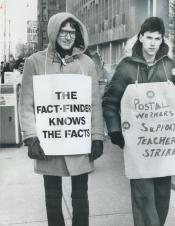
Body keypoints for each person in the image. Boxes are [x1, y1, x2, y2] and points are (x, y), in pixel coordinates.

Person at [102, 17, 175, 226]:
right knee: (143, 195)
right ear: (141, 38)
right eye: (149, 38)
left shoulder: (170, 65)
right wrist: (115, 130)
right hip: (139, 146)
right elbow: (109, 102)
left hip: (163, 145)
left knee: (162, 194)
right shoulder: (126, 68)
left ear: (162, 40)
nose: (153, 43)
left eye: (157, 38)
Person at [19, 12, 104, 226]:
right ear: (53, 32)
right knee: (52, 199)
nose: (68, 37)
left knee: (81, 198)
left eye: (72, 32)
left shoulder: (87, 63)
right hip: (49, 143)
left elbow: (94, 102)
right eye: (63, 32)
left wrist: (96, 136)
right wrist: (31, 137)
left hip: (79, 142)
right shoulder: (35, 62)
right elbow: (26, 104)